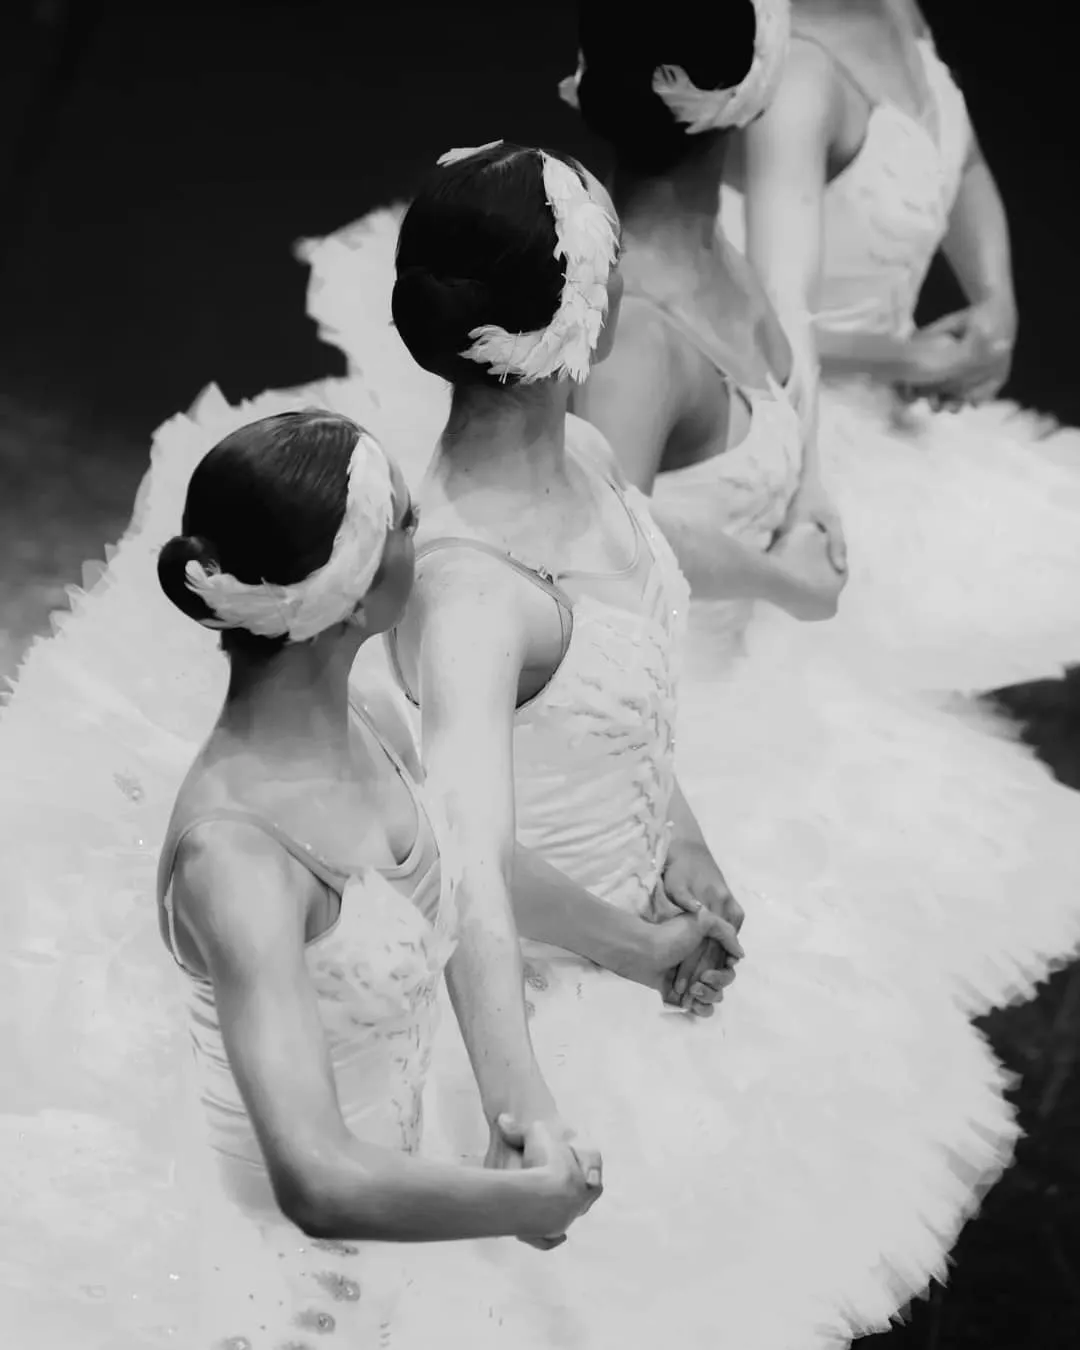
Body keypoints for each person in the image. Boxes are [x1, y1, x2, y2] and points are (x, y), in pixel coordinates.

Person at [300, 133, 1020, 1345]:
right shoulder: (471, 588)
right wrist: (525, 1100)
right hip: (552, 983)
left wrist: (675, 825)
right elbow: (465, 864)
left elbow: (618, 659)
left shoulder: (582, 454)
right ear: (584, 308)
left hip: (645, 919)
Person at [0, 399, 735, 1348]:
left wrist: (639, 950)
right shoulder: (239, 860)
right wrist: (515, 1198)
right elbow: (316, 1179)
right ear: (351, 592)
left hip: (408, 1206)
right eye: (406, 522)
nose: (428, 534)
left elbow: (464, 858)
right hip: (283, 1303)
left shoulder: (365, 719)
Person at [557, 0, 1080, 1020]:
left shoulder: (734, 267)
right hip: (673, 737)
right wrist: (777, 574)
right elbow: (586, 554)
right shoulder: (640, 340)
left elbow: (786, 364)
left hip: (761, 672)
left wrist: (809, 485)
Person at [718, 0, 1080, 697]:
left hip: (901, 419)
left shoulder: (898, 12)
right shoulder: (794, 66)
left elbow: (961, 159)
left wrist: (994, 301)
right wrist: (903, 358)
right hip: (794, 424)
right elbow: (756, 318)